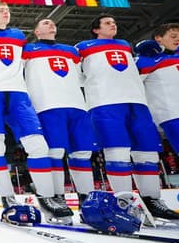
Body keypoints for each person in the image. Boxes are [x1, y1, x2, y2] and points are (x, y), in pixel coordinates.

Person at [0, 3, 70, 219]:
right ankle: (7, 198)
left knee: (38, 144)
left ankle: (47, 197)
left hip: (18, 94)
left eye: (7, 10)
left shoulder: (19, 36)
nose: (5, 12)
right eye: (0, 10)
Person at [76, 14, 179, 220]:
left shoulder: (125, 45)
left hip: (137, 103)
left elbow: (139, 71)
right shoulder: (83, 47)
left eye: (114, 22)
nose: (113, 24)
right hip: (105, 103)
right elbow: (77, 75)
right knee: (118, 153)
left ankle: (152, 200)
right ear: (96, 29)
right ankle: (123, 201)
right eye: (107, 23)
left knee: (147, 153)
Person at [23, 18, 97, 222]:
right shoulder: (27, 50)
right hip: (47, 105)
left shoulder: (72, 51)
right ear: (36, 31)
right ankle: (57, 198)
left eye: (52, 23)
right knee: (54, 152)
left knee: (83, 152)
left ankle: (87, 200)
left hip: (77, 105)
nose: (51, 25)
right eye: (45, 23)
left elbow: (82, 76)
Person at [134, 23, 179, 155]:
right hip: (172, 115)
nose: (177, 39)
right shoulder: (145, 61)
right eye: (173, 36)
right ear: (158, 38)